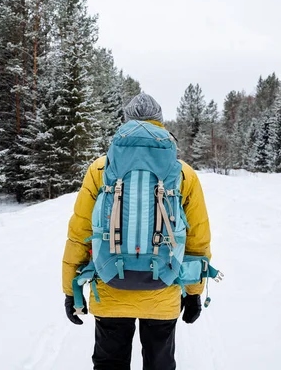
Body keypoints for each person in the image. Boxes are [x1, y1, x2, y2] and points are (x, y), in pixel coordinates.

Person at [62, 93, 212, 370]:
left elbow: (79, 231)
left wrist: (71, 289)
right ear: (161, 124)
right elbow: (197, 240)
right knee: (159, 364)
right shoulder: (183, 174)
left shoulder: (100, 169)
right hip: (163, 287)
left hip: (109, 283)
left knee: (109, 363)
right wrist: (193, 293)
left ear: (126, 123)